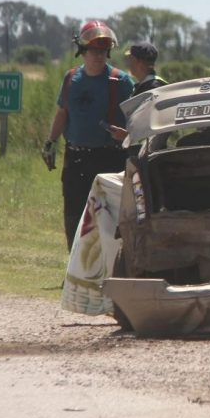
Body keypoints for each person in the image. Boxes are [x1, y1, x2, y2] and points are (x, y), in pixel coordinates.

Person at [42, 20, 135, 249]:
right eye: (94, 50)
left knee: (109, 216)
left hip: (110, 159)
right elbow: (63, 113)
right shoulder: (70, 78)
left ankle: (109, 270)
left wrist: (127, 135)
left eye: (103, 50)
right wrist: (50, 142)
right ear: (82, 51)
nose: (99, 55)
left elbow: (137, 118)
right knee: (74, 214)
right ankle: (76, 271)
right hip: (76, 159)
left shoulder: (121, 81)